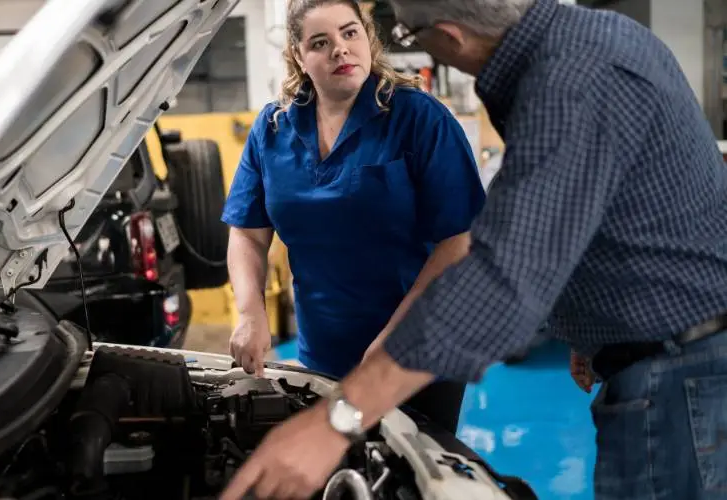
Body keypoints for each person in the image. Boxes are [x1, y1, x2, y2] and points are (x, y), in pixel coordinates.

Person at [220, 0, 727, 499]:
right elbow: (605, 211)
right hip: (665, 360)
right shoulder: (595, 38)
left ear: (449, 36)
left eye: (406, 35)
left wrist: (336, 421)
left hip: (678, 374)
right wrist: (588, 323)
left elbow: (498, 278)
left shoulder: (565, 84)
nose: (343, 49)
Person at [221, 0, 486, 436]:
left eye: (349, 33)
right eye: (320, 42)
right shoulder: (272, 129)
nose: (340, 49)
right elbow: (248, 233)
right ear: (299, 56)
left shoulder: (418, 118)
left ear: (368, 37)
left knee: (408, 465)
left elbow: (460, 241)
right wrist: (250, 312)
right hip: (323, 357)